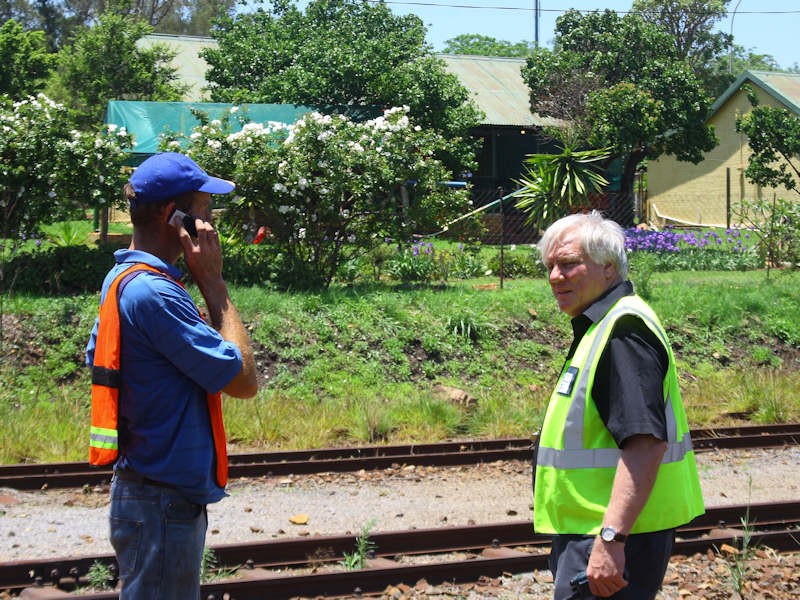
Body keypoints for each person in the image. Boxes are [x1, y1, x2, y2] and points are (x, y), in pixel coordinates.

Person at [85, 152, 258, 599]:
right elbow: (242, 381)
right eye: (204, 212)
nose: (211, 225)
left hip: (151, 495)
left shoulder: (124, 278)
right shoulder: (154, 293)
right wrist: (214, 284)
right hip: (161, 502)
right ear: (173, 217)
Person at [532, 212, 704, 600]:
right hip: (598, 529)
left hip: (611, 534)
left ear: (609, 268)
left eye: (569, 264)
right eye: (550, 266)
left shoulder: (622, 331)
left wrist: (611, 539)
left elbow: (645, 442)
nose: (556, 277)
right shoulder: (603, 324)